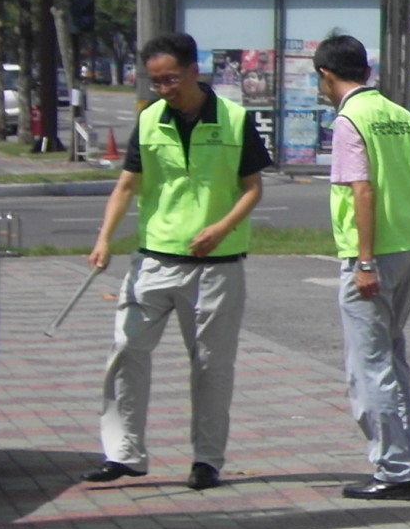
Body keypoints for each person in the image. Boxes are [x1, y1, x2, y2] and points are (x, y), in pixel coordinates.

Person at [83, 32, 271, 489]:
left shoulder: (234, 118)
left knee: (210, 364)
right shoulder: (149, 121)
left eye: (170, 79)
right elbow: (126, 186)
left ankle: (207, 459)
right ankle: (124, 453)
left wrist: (221, 227)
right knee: (126, 350)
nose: (163, 88)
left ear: (193, 71)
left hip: (217, 265)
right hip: (153, 259)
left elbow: (252, 189)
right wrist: (104, 238)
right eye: (154, 82)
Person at [314, 35, 410, 502]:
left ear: (326, 75)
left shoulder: (351, 120)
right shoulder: (400, 116)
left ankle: (393, 467)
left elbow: (361, 192)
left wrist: (364, 260)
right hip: (409, 248)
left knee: (368, 365)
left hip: (371, 256)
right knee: (392, 354)